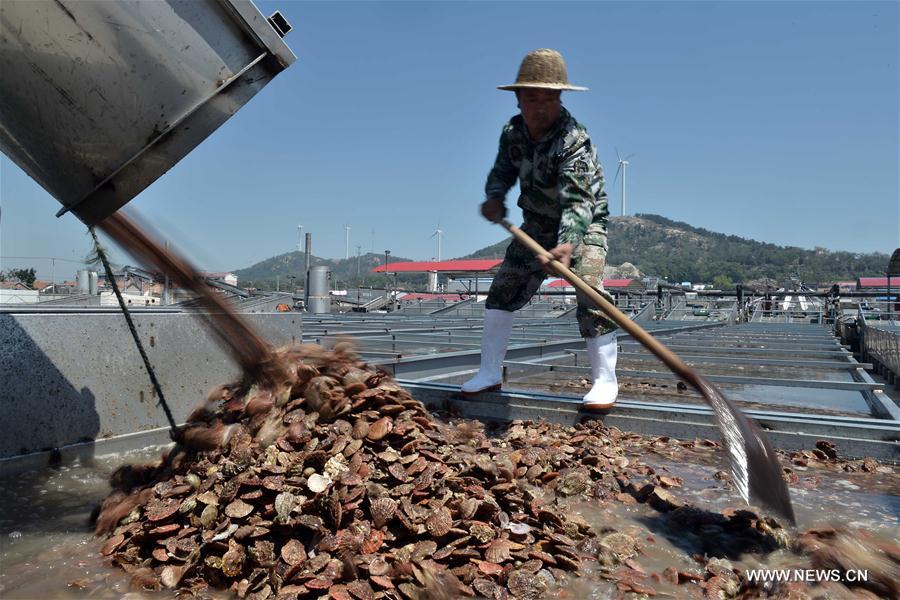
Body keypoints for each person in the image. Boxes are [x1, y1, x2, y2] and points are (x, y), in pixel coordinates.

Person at [461, 48, 619, 411]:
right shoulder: (513, 132)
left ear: (560, 98)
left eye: (549, 97)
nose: (540, 106)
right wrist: (494, 197)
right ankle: (489, 372)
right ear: (518, 99)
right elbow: (502, 171)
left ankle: (605, 380)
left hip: (584, 224)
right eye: (532, 97)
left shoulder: (573, 140)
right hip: (536, 224)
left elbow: (579, 203)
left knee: (589, 290)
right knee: (503, 289)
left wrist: (566, 245)